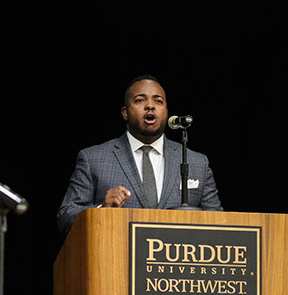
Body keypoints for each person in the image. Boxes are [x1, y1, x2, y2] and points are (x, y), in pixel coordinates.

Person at [57, 75, 223, 236]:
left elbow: (220, 224)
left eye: (158, 101)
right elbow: (65, 218)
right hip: (116, 259)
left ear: (166, 111)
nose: (150, 106)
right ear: (125, 112)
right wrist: (102, 209)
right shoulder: (93, 159)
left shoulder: (197, 162)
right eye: (140, 100)